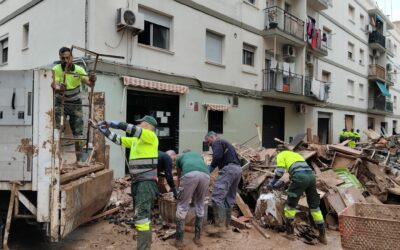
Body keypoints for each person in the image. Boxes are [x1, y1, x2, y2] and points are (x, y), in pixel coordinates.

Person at [97, 115, 158, 250]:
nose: (138, 125)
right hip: (138, 182)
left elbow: (131, 128)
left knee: (142, 218)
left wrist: (112, 123)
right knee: (141, 216)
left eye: (140, 123)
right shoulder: (136, 141)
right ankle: (145, 246)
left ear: (147, 125)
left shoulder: (150, 136)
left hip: (146, 183)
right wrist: (104, 131)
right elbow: (119, 140)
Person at [269, 144, 327, 245]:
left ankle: (290, 233)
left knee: (290, 205)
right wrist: (285, 181)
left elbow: (279, 172)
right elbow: (300, 170)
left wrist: (273, 182)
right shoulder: (296, 155)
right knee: (314, 206)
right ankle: (323, 236)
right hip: (311, 177)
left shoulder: (281, 155)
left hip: (300, 178)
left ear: (278, 151)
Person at [51, 46, 96, 164]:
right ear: (60, 58)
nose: (66, 61)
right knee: (57, 130)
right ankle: (56, 158)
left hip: (75, 103)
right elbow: (54, 85)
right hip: (61, 103)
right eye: (63, 58)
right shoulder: (56, 69)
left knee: (78, 131)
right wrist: (59, 88)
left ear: (72, 57)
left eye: (68, 58)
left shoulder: (79, 70)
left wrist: (92, 80)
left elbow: (89, 83)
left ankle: (80, 159)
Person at [204, 131, 242, 235]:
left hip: (228, 170)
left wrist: (211, 167)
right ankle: (226, 225)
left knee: (216, 197)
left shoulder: (217, 142)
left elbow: (217, 156)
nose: (209, 144)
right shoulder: (226, 143)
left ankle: (219, 226)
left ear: (213, 137)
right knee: (229, 199)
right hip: (237, 170)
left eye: (208, 141)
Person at [173, 150, 210, 249]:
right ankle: (198, 238)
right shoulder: (198, 156)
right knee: (200, 203)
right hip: (206, 175)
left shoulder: (180, 157)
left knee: (182, 205)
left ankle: (179, 241)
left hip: (189, 175)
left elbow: (179, 175)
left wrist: (180, 190)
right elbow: (200, 171)